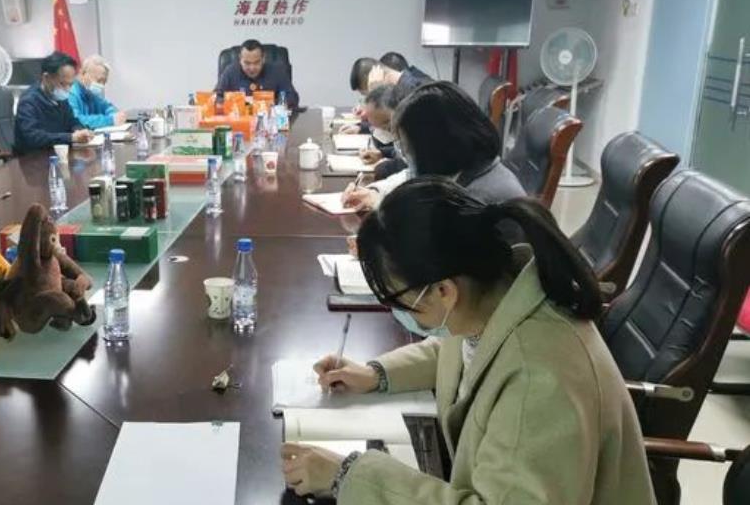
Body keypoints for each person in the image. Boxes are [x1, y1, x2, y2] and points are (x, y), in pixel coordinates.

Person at [281, 178, 654, 504]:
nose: (401, 312)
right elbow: (457, 349)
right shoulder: (496, 294)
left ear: (444, 291)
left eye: (400, 300)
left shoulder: (539, 381)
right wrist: (376, 374)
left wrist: (348, 475)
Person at [342, 82, 523, 212]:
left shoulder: (476, 199)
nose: (405, 153)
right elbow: (410, 177)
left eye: (407, 146)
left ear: (432, 145)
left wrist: (382, 205)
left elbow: (425, 229)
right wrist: (374, 192)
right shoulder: (464, 167)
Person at [14, 51, 95, 153]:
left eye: (70, 84)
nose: (67, 89)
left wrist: (80, 131)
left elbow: (73, 121)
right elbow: (33, 137)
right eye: (62, 84)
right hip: (32, 158)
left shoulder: (61, 98)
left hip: (58, 154)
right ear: (46, 78)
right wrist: (71, 137)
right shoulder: (28, 101)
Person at [215, 39, 299, 109]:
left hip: (270, 119)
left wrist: (267, 104)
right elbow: (215, 97)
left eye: (256, 62)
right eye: (247, 63)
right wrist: (238, 103)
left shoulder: (277, 71)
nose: (252, 68)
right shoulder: (230, 71)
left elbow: (292, 97)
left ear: (263, 58)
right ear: (240, 59)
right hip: (239, 120)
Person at [67, 55, 126, 129]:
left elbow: (107, 107)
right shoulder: (71, 93)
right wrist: (110, 120)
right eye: (99, 80)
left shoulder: (91, 92)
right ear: (83, 74)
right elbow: (76, 121)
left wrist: (116, 115)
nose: (101, 85)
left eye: (104, 82)